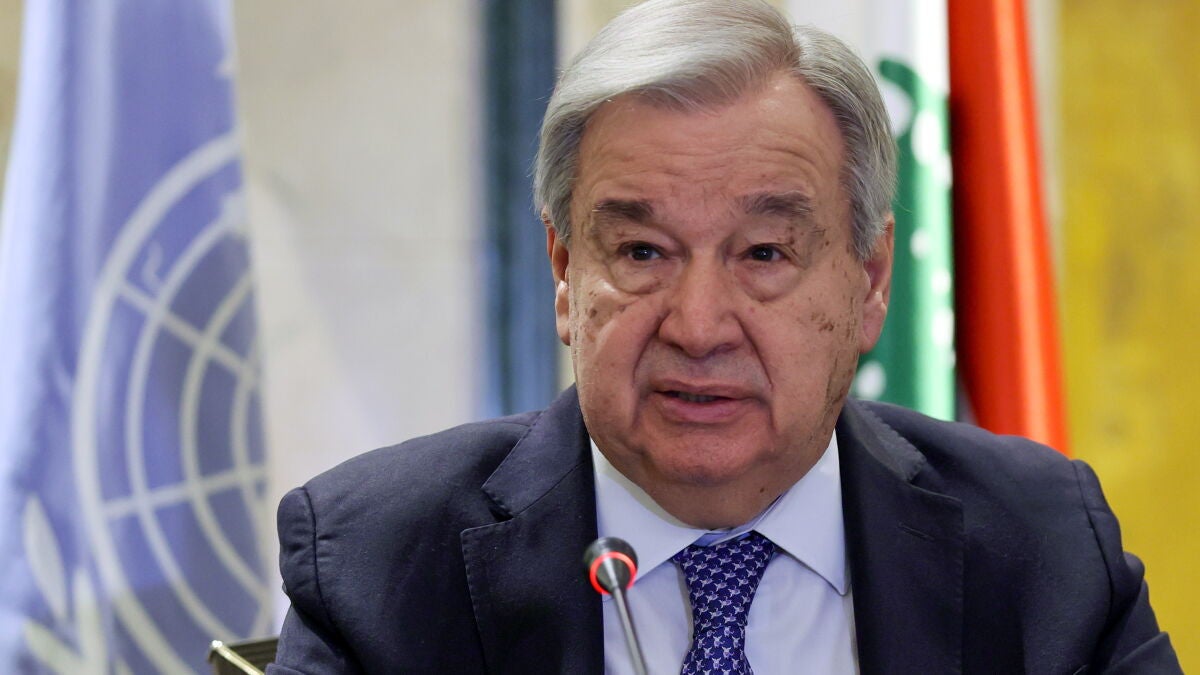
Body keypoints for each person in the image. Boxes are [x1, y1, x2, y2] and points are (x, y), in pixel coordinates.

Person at [267, 1, 1181, 673]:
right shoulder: (382, 564)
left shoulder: (1044, 549)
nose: (698, 326)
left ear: (870, 281)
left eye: (765, 252)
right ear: (565, 271)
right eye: (641, 251)